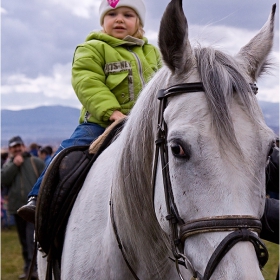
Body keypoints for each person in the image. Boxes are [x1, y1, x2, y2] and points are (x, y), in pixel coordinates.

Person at [17, 0, 162, 223]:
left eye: (128, 15)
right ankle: (39, 197)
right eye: (112, 14)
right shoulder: (92, 49)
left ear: (139, 23)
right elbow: (88, 83)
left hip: (148, 122)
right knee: (71, 151)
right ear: (103, 21)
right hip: (101, 122)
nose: (120, 19)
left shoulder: (153, 53)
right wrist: (112, 112)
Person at [1, 136, 45, 279]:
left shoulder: (35, 162)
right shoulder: (8, 166)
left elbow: (45, 179)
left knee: (32, 239)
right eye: (14, 147)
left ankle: (37, 269)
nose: (17, 149)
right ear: (10, 149)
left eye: (19, 146)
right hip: (16, 208)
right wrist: (14, 165)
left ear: (23, 146)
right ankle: (28, 268)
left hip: (32, 208)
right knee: (23, 242)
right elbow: (3, 180)